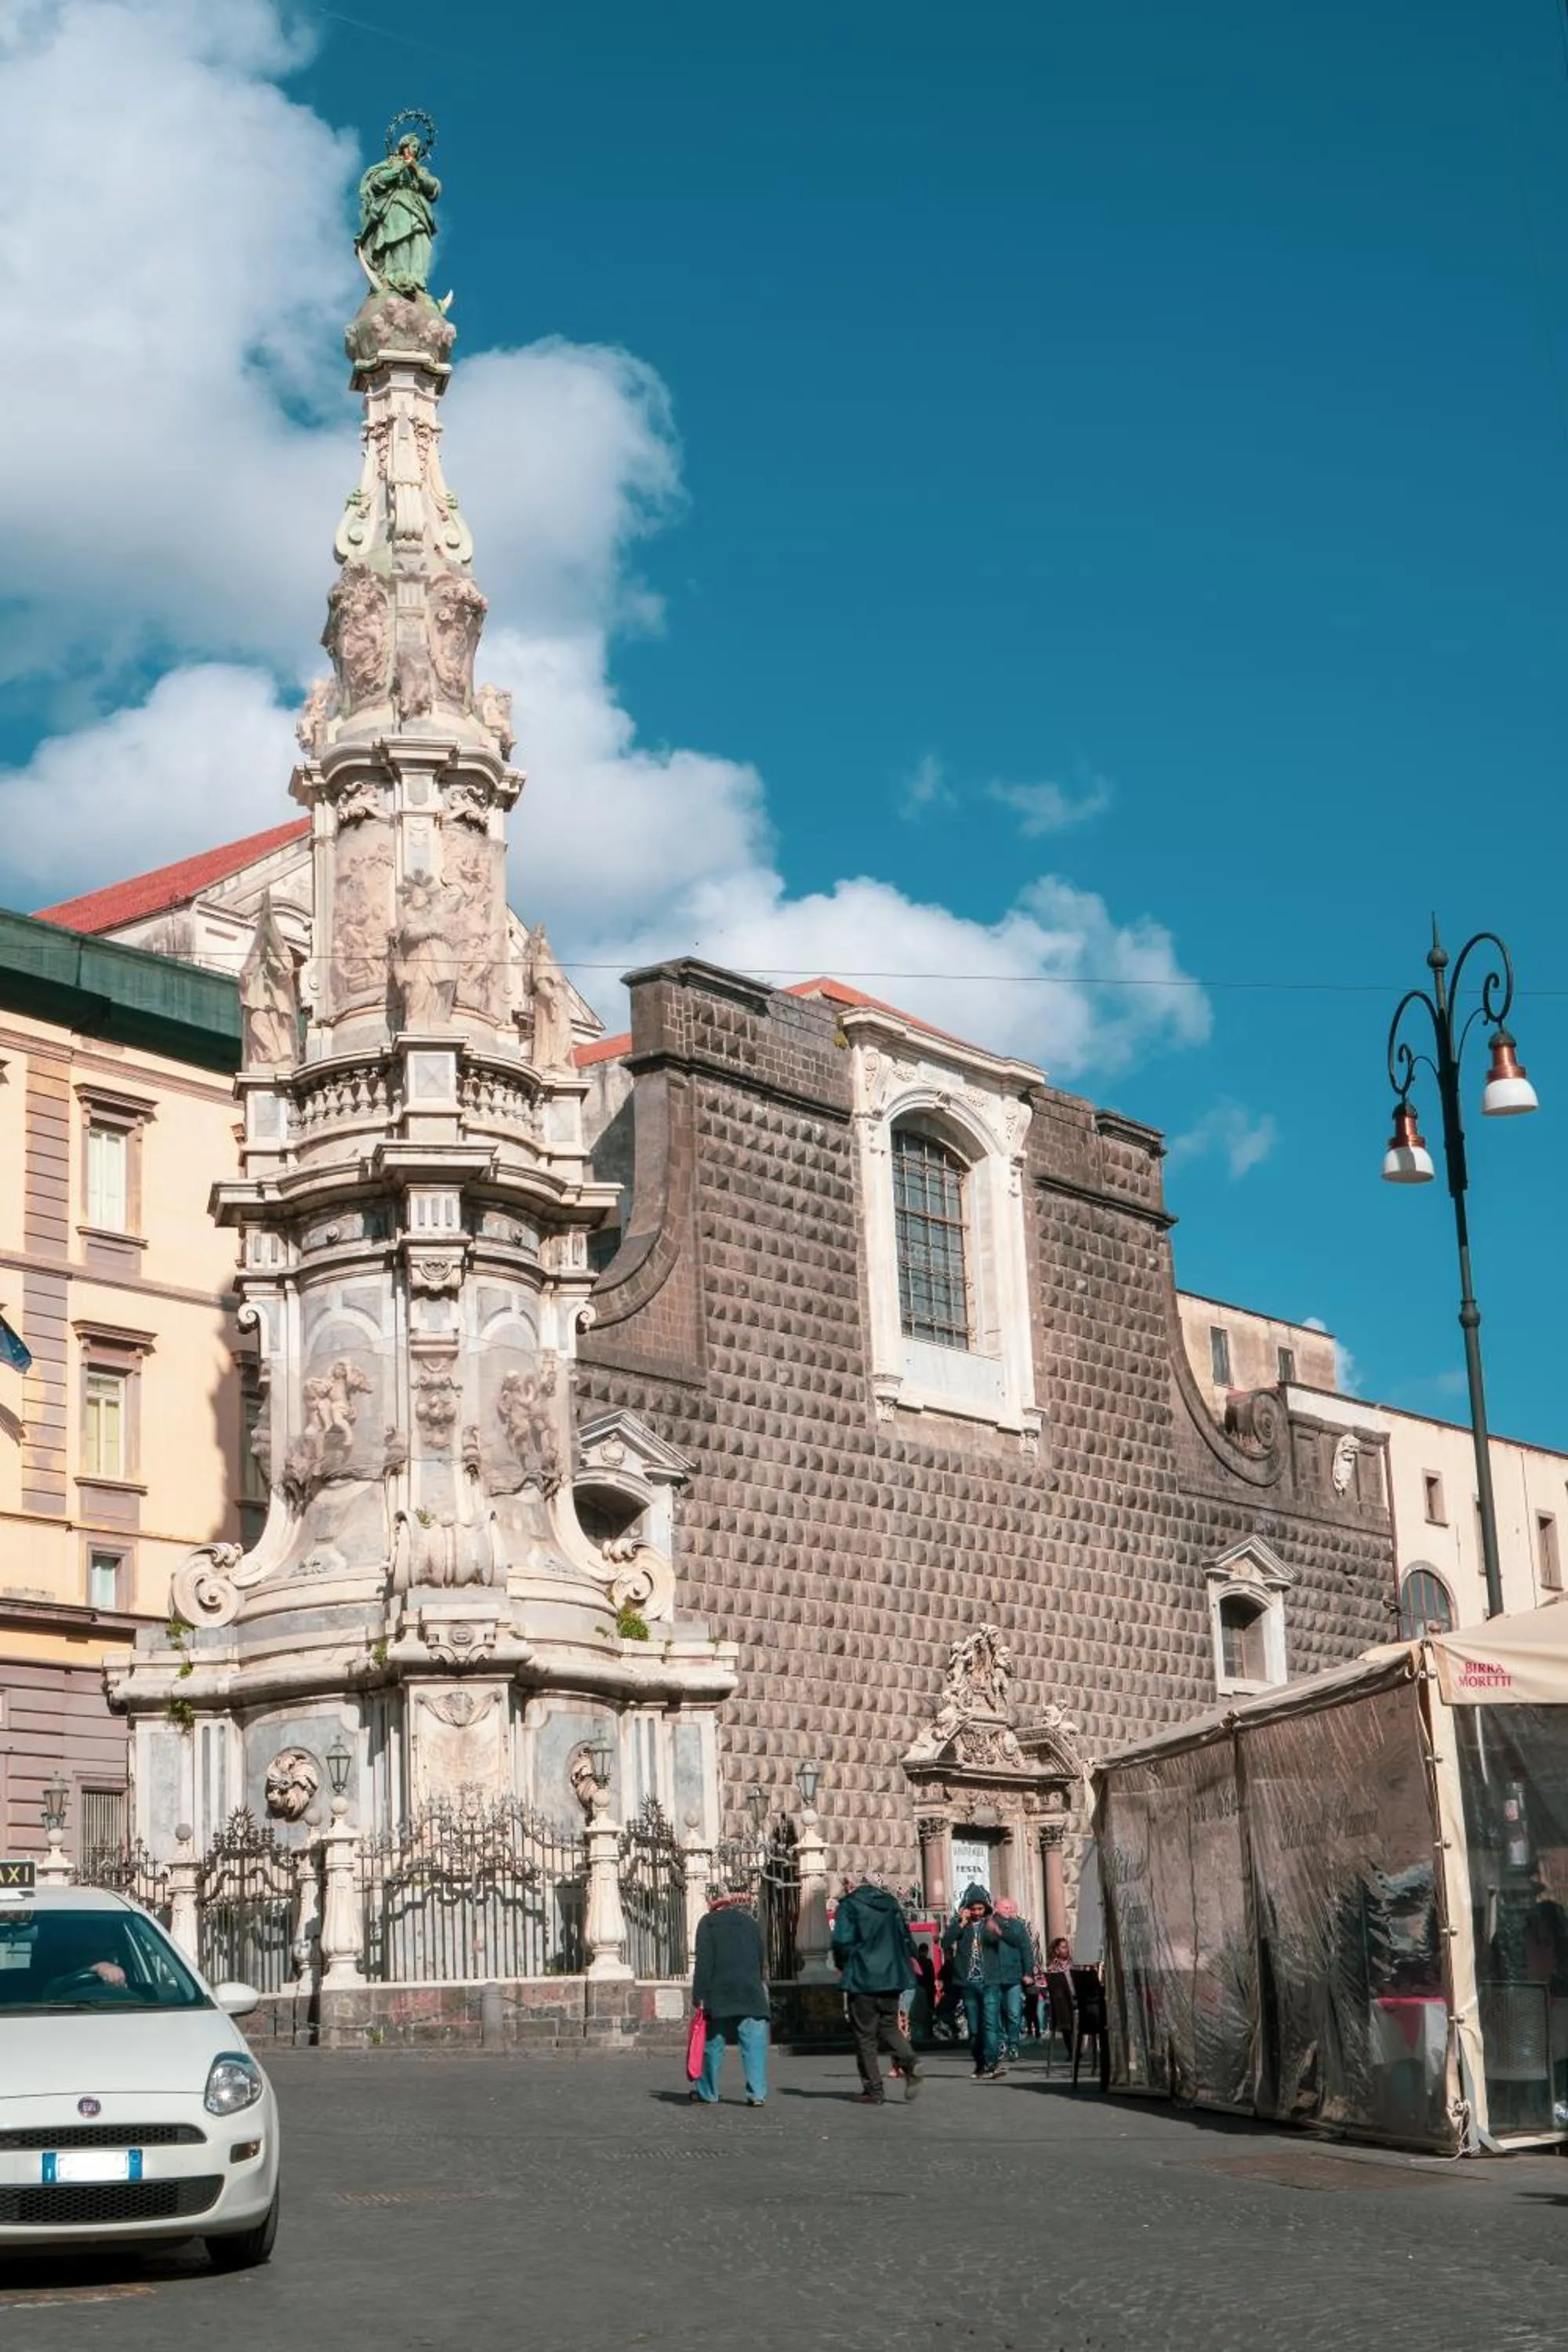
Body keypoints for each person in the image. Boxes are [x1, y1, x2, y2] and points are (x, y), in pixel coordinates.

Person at [831, 1875, 922, 2105]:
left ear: (851, 1885)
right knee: (890, 2026)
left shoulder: (849, 1906)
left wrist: (843, 1965)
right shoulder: (890, 1904)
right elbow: (905, 1937)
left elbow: (842, 1941)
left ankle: (874, 2089)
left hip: (862, 1977)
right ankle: (909, 2059)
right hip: (891, 1976)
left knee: (865, 2036)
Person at [690, 1883, 771, 2106]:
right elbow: (760, 1957)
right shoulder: (751, 1923)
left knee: (713, 2042)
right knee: (754, 2042)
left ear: (710, 1902)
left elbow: (704, 1962)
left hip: (720, 1991)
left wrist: (699, 1995)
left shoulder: (708, 1923)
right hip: (751, 1990)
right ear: (728, 1900)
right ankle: (757, 2094)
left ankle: (708, 2092)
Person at [942, 1884, 1005, 2081]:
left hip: (989, 1982)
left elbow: (1004, 1944)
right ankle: (980, 2063)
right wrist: (960, 1923)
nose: (977, 1913)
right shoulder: (962, 1925)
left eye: (980, 1909)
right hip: (968, 1983)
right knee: (975, 2029)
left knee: (990, 2025)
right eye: (974, 1909)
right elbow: (945, 1943)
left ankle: (992, 2064)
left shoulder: (993, 1923)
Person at [993, 1898, 1036, 2063]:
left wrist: (1028, 1972)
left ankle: (1013, 2045)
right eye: (1005, 1907)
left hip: (1013, 1976)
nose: (1009, 1909)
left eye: (1011, 1907)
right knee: (995, 2013)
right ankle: (1001, 2043)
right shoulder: (988, 1926)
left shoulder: (1018, 1927)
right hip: (994, 1977)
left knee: (1014, 2013)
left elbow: (1026, 1950)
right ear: (997, 1908)